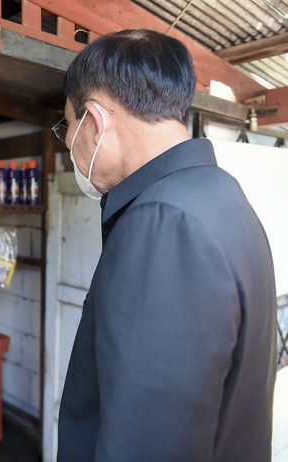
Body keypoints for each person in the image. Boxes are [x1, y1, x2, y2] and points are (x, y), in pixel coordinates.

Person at [54, 29, 277, 462]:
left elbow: (145, 441)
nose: (67, 142)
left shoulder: (162, 222)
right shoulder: (223, 196)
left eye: (67, 124)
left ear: (95, 120)